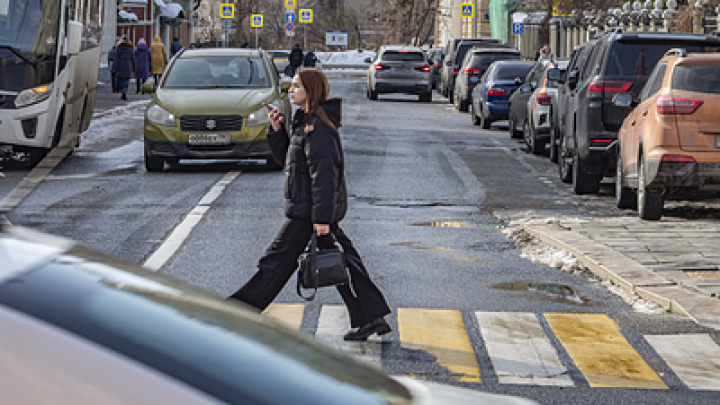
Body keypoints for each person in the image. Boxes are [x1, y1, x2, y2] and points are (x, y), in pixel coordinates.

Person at [229, 68, 392, 342]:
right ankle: (371, 316)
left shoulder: (318, 130)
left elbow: (325, 177)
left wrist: (322, 219)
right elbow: (289, 163)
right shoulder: (305, 122)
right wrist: (277, 129)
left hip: (309, 214)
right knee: (344, 263)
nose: (290, 90)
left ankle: (235, 313)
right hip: (311, 211)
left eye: (296, 86)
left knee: (274, 264)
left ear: (311, 91)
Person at [114, 36, 135, 100]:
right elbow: (133, 59)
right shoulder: (130, 49)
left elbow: (116, 59)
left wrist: (114, 67)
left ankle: (122, 91)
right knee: (126, 80)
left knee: (121, 80)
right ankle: (124, 91)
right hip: (128, 66)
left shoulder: (119, 48)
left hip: (120, 66)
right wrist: (134, 67)